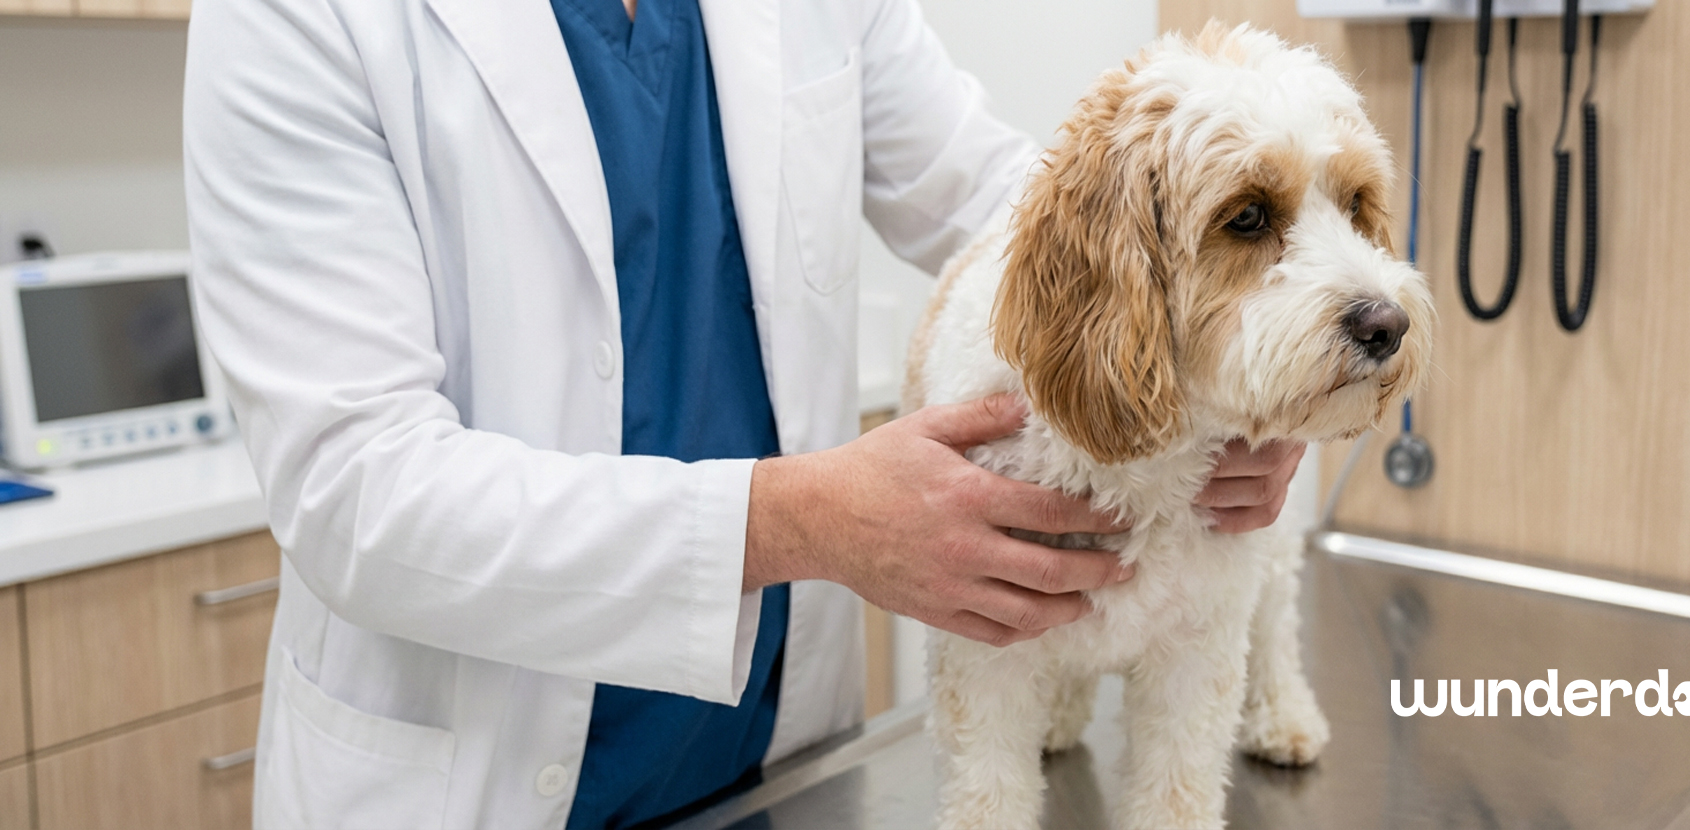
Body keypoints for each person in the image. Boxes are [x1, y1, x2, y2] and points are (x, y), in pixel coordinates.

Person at [182, 0, 1306, 827]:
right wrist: (806, 520)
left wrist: (1247, 341)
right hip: (463, 765)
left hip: (769, 757)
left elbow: (1021, 206)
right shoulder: (294, 17)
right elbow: (355, 490)